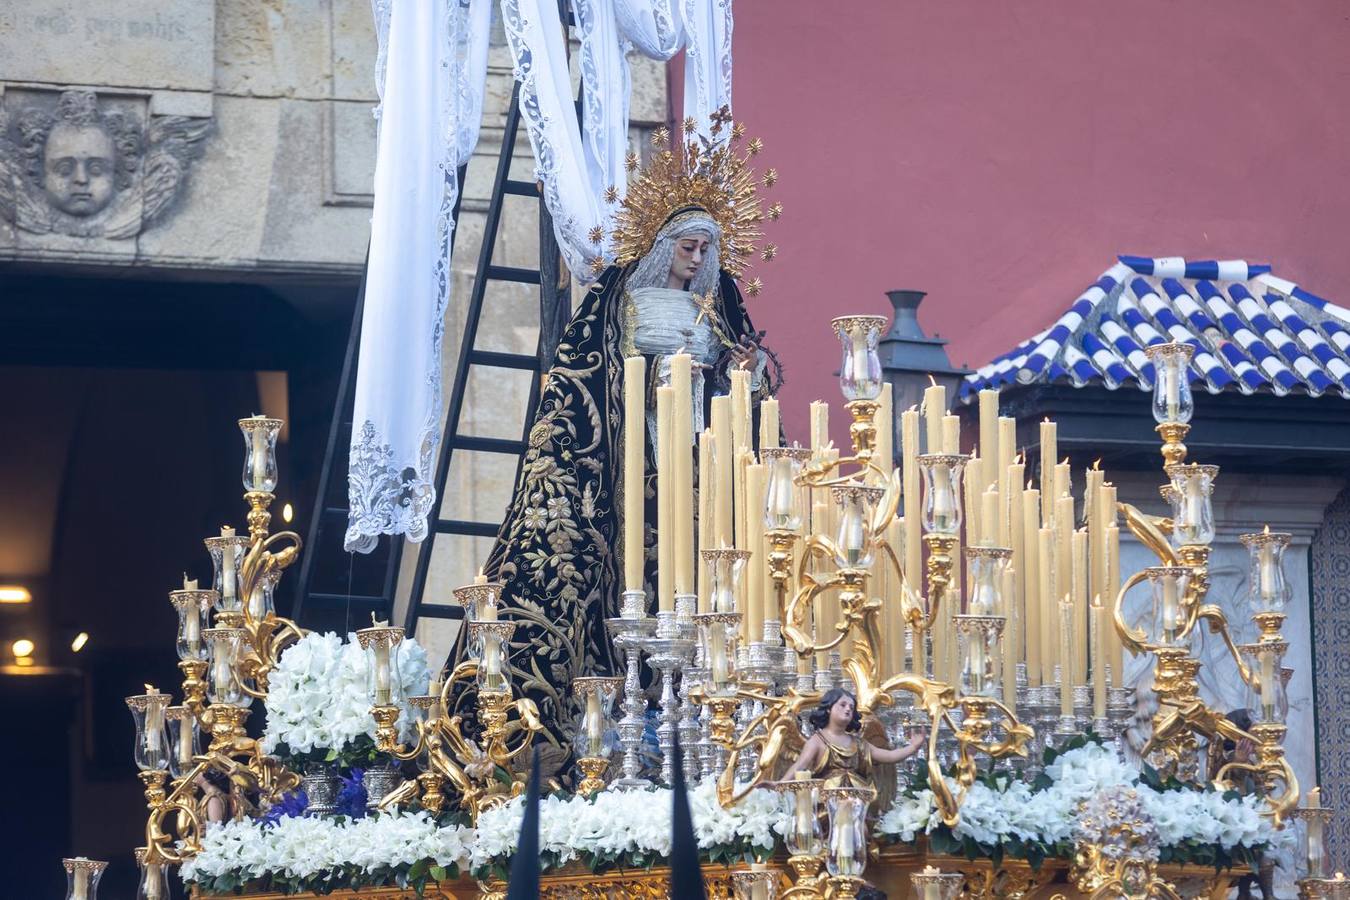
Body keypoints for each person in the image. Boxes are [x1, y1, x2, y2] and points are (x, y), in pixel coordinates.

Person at [458, 122, 782, 768]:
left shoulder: (718, 301)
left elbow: (743, 379)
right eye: (688, 247)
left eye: (705, 249)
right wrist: (654, 376)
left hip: (701, 457)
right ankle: (608, 721)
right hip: (632, 458)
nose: (697, 259)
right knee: (630, 571)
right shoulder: (623, 297)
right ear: (665, 245)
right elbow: (591, 373)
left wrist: (745, 373)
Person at [783, 688, 926, 794]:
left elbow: (888, 756)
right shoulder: (817, 741)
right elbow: (800, 766)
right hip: (827, 802)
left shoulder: (858, 743)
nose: (848, 709)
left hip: (858, 801)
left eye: (851, 707)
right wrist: (780, 785)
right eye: (842, 705)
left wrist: (913, 747)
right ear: (828, 709)